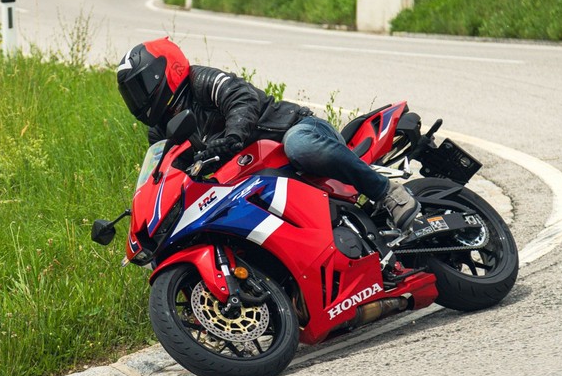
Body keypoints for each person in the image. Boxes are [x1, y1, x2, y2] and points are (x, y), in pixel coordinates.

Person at [116, 37, 419, 231]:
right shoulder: (161, 131)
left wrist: (233, 136)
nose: (139, 98)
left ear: (164, 71)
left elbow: (242, 99)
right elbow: (167, 173)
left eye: (140, 87)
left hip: (297, 130)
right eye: (132, 93)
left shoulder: (201, 81)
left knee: (299, 145)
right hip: (256, 172)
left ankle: (387, 192)